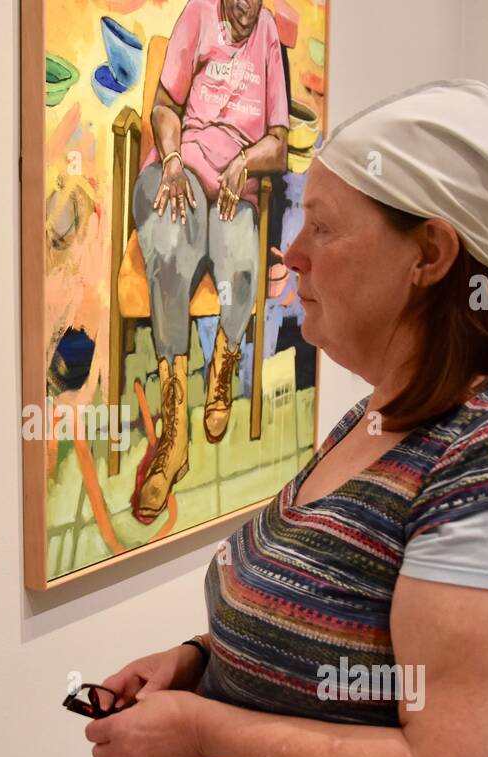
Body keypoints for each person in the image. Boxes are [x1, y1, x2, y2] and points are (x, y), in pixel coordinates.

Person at [85, 79, 488, 757]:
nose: (291, 253)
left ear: (428, 253)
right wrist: (199, 663)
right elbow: (333, 628)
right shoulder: (376, 416)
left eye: (321, 228)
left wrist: (202, 730)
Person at [132, 0, 290, 520]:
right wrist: (173, 158)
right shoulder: (197, 14)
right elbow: (163, 106)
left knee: (242, 265)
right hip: (178, 171)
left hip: (231, 188)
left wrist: (244, 161)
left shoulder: (267, 32)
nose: (247, 9)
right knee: (171, 252)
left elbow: (279, 143)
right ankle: (174, 433)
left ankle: (223, 361)